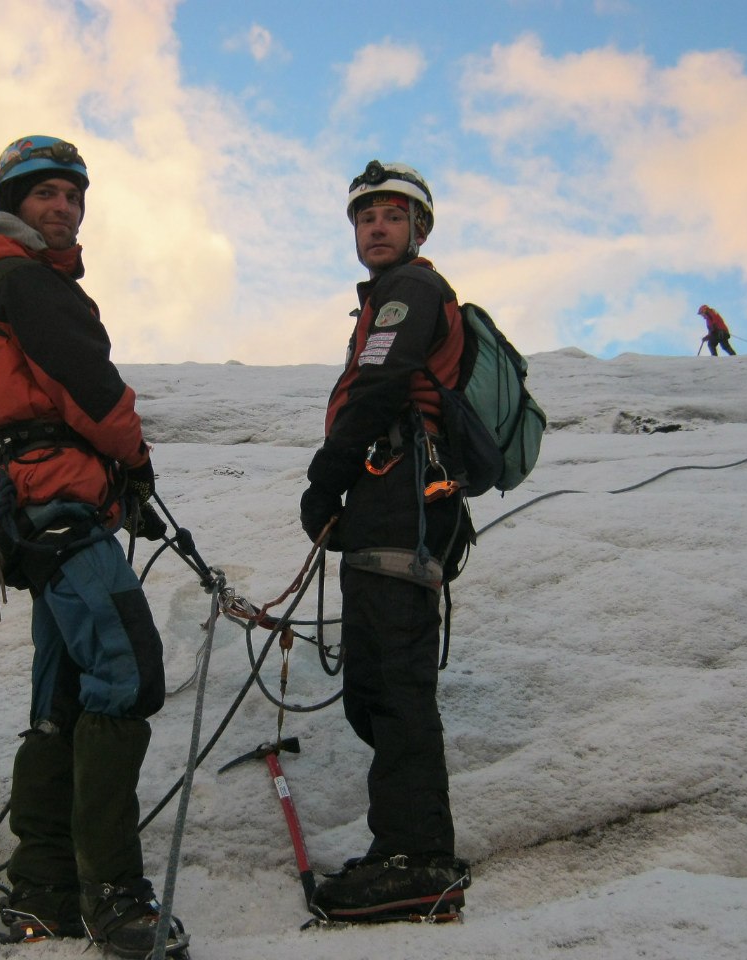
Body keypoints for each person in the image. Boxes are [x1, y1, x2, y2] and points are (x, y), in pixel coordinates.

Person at [0, 135, 186, 957]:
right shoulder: (26, 280)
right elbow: (90, 388)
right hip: (54, 506)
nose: (63, 209)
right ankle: (113, 898)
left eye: (72, 197)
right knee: (126, 671)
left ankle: (42, 895)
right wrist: (138, 466)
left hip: (32, 510)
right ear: (13, 205)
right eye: (45, 195)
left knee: (61, 701)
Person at [298, 160, 472, 923]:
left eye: (393, 215)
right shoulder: (386, 300)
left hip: (401, 500)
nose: (376, 226)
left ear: (418, 230)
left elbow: (377, 389)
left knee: (395, 680)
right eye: (366, 216)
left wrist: (324, 480)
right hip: (386, 503)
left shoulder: (413, 292)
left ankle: (418, 861)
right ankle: (403, 844)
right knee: (374, 682)